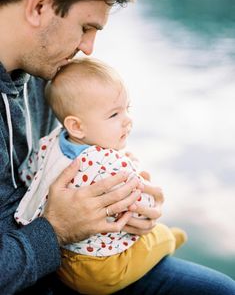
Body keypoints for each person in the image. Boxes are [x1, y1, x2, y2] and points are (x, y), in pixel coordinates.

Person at [0, 0, 234, 294]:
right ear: (40, 5)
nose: (90, 48)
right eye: (85, 28)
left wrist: (125, 202)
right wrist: (57, 228)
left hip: (66, 257)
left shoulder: (46, 73)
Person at [15, 57, 187, 294]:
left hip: (61, 259)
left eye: (128, 109)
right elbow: (141, 211)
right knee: (160, 236)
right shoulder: (110, 163)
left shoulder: (50, 143)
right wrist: (139, 177)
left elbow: (29, 175)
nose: (127, 120)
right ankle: (170, 240)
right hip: (101, 271)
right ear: (76, 126)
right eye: (114, 115)